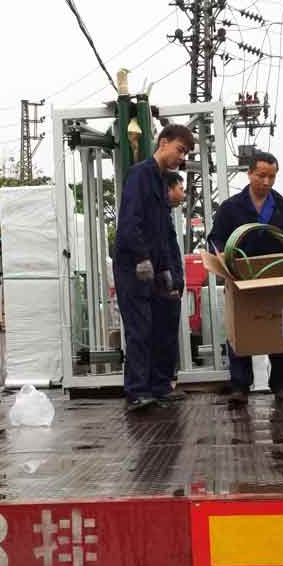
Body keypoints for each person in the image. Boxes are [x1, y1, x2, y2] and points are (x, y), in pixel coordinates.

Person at [207, 151, 283, 404]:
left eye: (272, 176)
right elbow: (216, 238)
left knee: (279, 331)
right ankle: (239, 386)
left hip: (275, 278)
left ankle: (281, 385)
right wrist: (223, 257)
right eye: (262, 176)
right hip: (240, 278)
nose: (267, 182)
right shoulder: (231, 207)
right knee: (240, 331)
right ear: (249, 174)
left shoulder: (282, 207)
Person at [114, 123, 195, 411]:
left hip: (155, 267)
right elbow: (130, 222)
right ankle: (137, 391)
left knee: (162, 327)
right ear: (163, 142)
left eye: (184, 154)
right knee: (140, 329)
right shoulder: (139, 176)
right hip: (133, 266)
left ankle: (159, 386)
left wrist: (165, 270)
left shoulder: (161, 181)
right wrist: (141, 258)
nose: (181, 158)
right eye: (180, 150)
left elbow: (162, 231)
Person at [150, 171, 188, 403]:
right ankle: (161, 385)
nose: (183, 194)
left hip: (168, 284)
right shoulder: (159, 217)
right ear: (169, 188)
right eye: (181, 189)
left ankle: (162, 383)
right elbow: (165, 253)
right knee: (163, 338)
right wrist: (170, 281)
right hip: (165, 287)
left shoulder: (165, 215)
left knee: (166, 337)